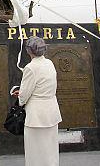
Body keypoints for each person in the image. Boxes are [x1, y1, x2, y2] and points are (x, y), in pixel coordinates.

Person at [12, 36, 61, 166]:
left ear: (28, 51)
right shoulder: (49, 63)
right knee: (50, 151)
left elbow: (23, 97)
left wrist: (19, 95)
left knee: (36, 153)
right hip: (51, 112)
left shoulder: (30, 68)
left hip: (36, 116)